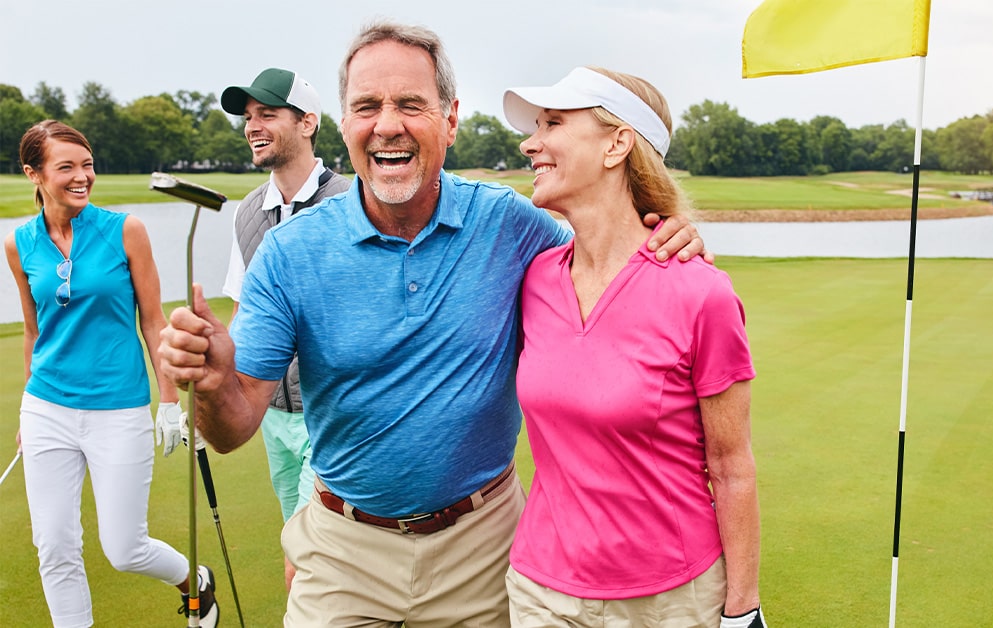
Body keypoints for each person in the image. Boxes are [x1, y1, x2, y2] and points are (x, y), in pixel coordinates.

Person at [158, 21, 704, 627]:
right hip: (344, 552)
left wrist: (670, 225)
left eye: (410, 104)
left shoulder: (512, 225)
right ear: (344, 125)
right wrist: (208, 384)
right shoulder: (289, 252)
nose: (386, 124)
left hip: (483, 544)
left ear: (450, 120)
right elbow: (233, 426)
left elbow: (612, 246)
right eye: (366, 106)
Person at [502, 67, 766, 627]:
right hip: (541, 591)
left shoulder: (701, 293)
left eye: (552, 123)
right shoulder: (535, 278)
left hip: (671, 600)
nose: (530, 142)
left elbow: (732, 465)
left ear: (617, 144)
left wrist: (742, 610)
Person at [3, 120, 219, 628]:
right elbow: (34, 333)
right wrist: (26, 413)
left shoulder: (126, 230)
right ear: (34, 174)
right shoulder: (19, 243)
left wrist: (169, 401)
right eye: (67, 168)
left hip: (118, 409)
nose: (82, 177)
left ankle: (195, 582)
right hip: (46, 409)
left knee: (124, 548)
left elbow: (152, 321)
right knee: (53, 546)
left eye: (88, 165)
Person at [218, 66, 351, 591]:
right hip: (274, 415)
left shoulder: (353, 202)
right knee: (311, 552)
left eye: (267, 114)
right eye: (249, 117)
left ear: (307, 123)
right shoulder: (248, 212)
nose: (253, 125)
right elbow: (242, 314)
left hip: (335, 413)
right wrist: (214, 390)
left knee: (304, 560)